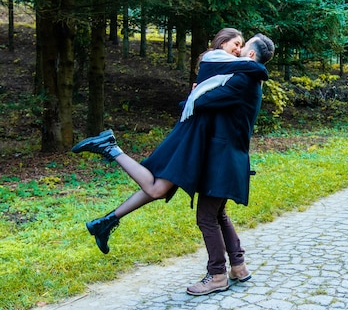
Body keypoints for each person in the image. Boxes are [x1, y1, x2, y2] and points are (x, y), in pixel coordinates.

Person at [71, 29, 275, 295]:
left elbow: (202, 101)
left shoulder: (245, 79)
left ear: (250, 54)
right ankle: (238, 267)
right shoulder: (241, 78)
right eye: (234, 44)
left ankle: (217, 275)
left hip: (224, 161)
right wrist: (195, 95)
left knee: (206, 217)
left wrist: (195, 95)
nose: (237, 50)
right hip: (223, 158)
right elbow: (205, 101)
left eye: (242, 46)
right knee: (216, 213)